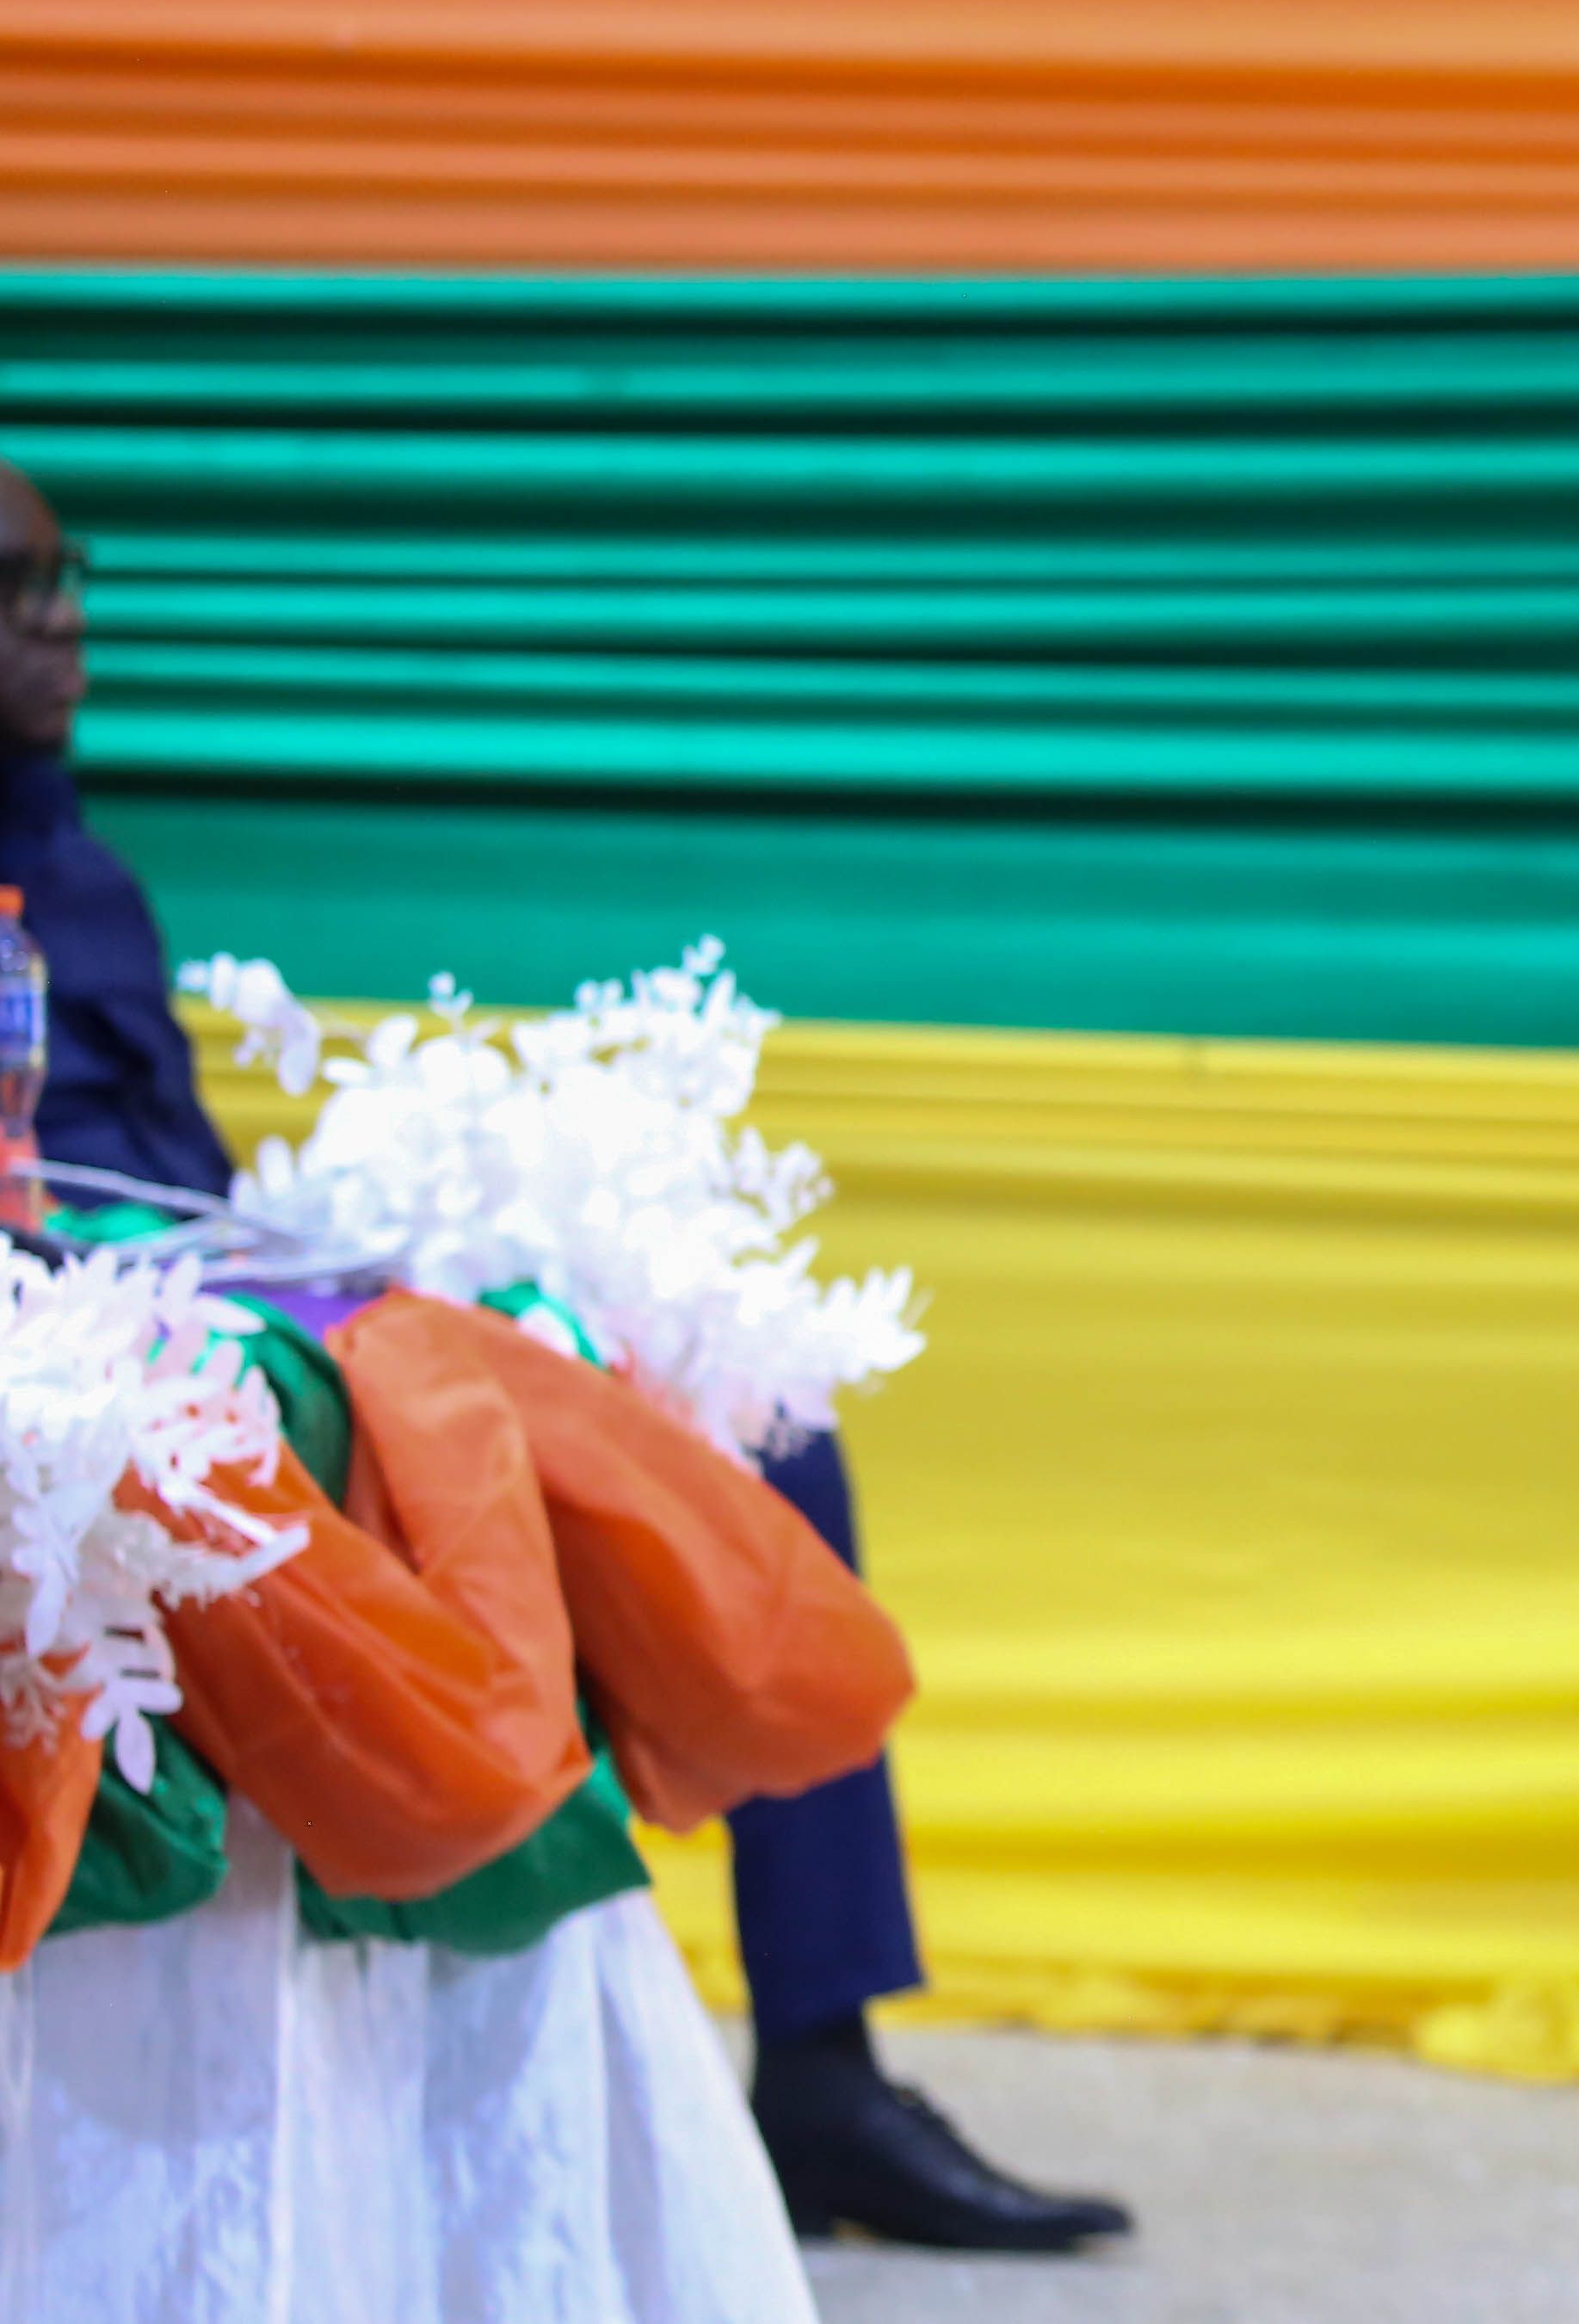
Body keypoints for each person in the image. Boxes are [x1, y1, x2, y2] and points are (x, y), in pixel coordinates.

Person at [0, 458, 1131, 2258]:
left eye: (70, 581)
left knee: (752, 1426)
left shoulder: (82, 873)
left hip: (226, 1288)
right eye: (12, 593)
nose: (62, 628)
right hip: (92, 1351)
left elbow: (181, 1179)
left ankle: (823, 2063)